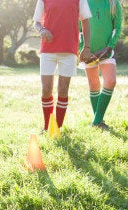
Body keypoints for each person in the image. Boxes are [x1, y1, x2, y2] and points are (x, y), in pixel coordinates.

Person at [33, 0, 94, 132]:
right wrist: (42, 29)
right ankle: (47, 127)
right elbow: (36, 22)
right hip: (47, 49)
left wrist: (87, 47)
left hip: (69, 49)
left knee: (63, 89)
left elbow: (86, 22)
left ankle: (57, 128)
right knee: (46, 89)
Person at [79, 0, 123, 130]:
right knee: (93, 84)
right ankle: (99, 122)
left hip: (106, 51)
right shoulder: (83, 2)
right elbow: (79, 29)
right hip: (88, 51)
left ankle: (97, 121)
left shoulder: (113, 3)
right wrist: (84, 48)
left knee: (110, 81)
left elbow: (117, 27)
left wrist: (109, 47)